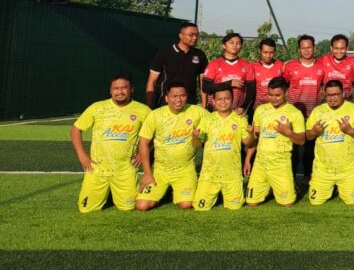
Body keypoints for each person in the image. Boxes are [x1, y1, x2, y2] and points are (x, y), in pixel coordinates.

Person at [71, 74, 151, 213]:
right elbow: (75, 130)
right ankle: (106, 193)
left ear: (131, 89)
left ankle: (114, 193)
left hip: (125, 169)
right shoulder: (97, 107)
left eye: (124, 88)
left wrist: (142, 153)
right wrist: (82, 155)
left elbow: (154, 135)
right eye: (116, 88)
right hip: (97, 168)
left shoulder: (143, 110)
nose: (120, 92)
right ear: (110, 90)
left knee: (128, 207)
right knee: (85, 209)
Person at [135, 82, 207, 211]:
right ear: (167, 98)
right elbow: (144, 142)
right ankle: (165, 190)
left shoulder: (197, 112)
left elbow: (217, 119)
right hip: (160, 170)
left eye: (182, 95)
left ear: (187, 96)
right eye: (174, 96)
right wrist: (147, 174)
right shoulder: (156, 115)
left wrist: (237, 115)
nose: (178, 99)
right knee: (142, 206)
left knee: (186, 205)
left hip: (185, 170)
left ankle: (176, 191)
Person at [305, 80, 354, 205]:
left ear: (343, 93)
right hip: (323, 170)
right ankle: (332, 188)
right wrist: (313, 131)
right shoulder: (318, 111)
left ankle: (342, 187)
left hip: (347, 170)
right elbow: (308, 136)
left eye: (336, 94)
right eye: (329, 95)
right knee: (315, 202)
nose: (332, 98)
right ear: (324, 95)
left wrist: (350, 130)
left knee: (352, 201)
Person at [246, 77, 305, 207]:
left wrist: (288, 132)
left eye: (277, 95)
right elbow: (256, 138)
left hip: (281, 163)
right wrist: (248, 159)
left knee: (287, 205)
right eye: (270, 95)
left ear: (286, 93)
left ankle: (290, 188)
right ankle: (270, 187)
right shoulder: (260, 110)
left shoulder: (295, 113)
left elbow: (301, 141)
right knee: (251, 203)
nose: (273, 98)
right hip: (261, 162)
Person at [192, 88, 254, 210]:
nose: (223, 102)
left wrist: (251, 133)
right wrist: (194, 137)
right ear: (214, 101)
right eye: (219, 99)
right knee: (200, 207)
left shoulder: (240, 118)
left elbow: (247, 142)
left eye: (227, 98)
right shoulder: (207, 119)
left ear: (232, 100)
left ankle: (232, 191)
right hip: (209, 174)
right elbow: (197, 145)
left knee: (235, 207)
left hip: (232, 175)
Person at [284, 35, 325, 179]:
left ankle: (308, 178)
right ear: (299, 49)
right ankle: (292, 179)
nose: (306, 50)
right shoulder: (290, 66)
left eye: (309, 47)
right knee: (293, 148)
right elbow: (283, 86)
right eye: (303, 48)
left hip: (313, 113)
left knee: (310, 148)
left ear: (314, 48)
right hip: (294, 114)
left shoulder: (322, 66)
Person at [146, 22, 207, 108]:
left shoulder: (200, 55)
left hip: (190, 105)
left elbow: (202, 82)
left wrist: (204, 105)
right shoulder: (164, 54)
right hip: (166, 104)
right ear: (181, 36)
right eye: (191, 35)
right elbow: (151, 81)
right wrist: (149, 106)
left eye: (197, 35)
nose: (195, 38)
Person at [200, 32, 255, 115]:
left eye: (238, 43)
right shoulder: (214, 64)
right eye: (231, 42)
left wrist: (243, 107)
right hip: (216, 111)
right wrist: (229, 83)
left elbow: (251, 89)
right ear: (224, 45)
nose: (235, 45)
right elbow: (206, 87)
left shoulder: (247, 65)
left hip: (237, 111)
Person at [250, 38, 283, 111]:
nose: (268, 55)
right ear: (259, 51)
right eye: (265, 52)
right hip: (258, 107)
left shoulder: (280, 65)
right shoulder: (252, 66)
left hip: (276, 107)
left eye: (271, 52)